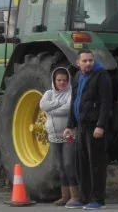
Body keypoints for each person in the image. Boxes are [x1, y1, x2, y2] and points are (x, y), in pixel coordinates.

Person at [64, 49, 112, 210]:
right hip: (81, 127)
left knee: (96, 165)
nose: (88, 63)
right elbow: (74, 101)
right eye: (84, 61)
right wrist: (70, 125)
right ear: (78, 62)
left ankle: (98, 200)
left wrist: (101, 125)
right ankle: (84, 198)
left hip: (94, 128)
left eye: (90, 60)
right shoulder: (78, 77)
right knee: (82, 164)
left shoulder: (102, 76)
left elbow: (106, 103)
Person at [39, 67, 79, 207]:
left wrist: (51, 109)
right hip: (53, 136)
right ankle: (65, 195)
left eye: (64, 80)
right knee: (59, 165)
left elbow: (69, 108)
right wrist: (58, 105)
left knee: (69, 164)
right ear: (54, 81)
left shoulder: (71, 93)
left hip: (69, 134)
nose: (62, 83)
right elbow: (43, 105)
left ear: (68, 81)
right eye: (59, 80)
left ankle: (75, 196)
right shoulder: (49, 93)